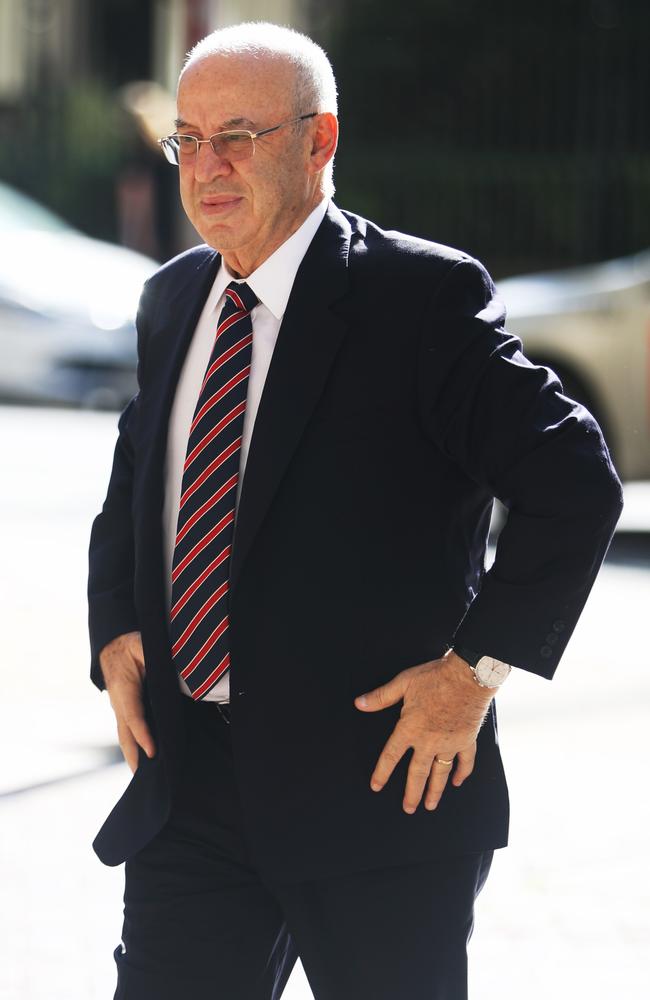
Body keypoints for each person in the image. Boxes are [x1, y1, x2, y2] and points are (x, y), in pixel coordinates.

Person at [87, 21, 623, 1000]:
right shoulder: (171, 299)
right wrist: (115, 624)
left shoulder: (418, 300)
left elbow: (572, 479)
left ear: (318, 141)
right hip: (193, 792)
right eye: (187, 140)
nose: (205, 168)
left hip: (378, 790)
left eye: (236, 137)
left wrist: (474, 672)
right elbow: (139, 473)